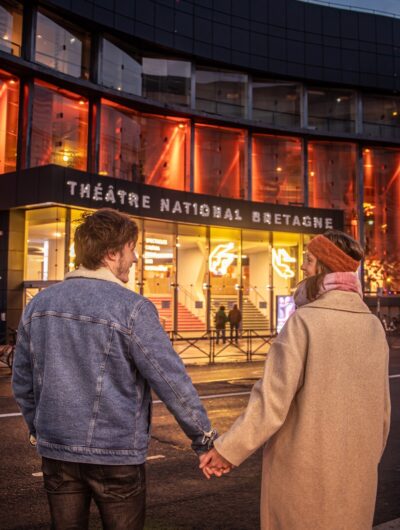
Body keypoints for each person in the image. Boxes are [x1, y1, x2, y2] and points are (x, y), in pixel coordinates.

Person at [12, 208, 216, 530]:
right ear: (111, 253)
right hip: (116, 454)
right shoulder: (132, 308)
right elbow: (172, 382)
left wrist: (40, 428)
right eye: (131, 248)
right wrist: (204, 440)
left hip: (58, 451)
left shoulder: (39, 305)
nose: (134, 258)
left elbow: (22, 379)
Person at [200, 229, 391, 530]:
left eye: (309, 260)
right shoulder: (372, 326)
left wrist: (227, 450)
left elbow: (271, 402)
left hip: (305, 471)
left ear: (324, 268)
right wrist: (365, 461)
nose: (303, 267)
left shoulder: (305, 321)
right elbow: (382, 411)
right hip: (356, 472)